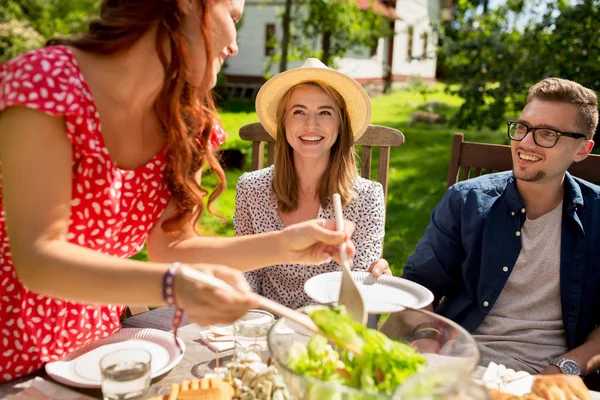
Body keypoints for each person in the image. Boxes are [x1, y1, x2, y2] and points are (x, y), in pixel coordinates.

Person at [0, 1, 356, 382]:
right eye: (232, 18)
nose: (234, 43)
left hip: (92, 357)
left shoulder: (184, 118)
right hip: (12, 354)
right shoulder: (46, 84)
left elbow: (171, 248)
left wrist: (285, 245)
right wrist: (175, 286)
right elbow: (39, 260)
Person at [402, 77, 600, 377]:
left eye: (547, 134)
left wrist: (566, 368)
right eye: (523, 127)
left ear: (582, 150)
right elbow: (418, 287)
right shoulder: (466, 201)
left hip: (546, 379)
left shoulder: (597, 215)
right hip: (458, 364)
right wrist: (427, 339)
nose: (525, 142)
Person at [234, 58, 390, 310]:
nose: (311, 125)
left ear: (341, 124)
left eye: (325, 113)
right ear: (283, 122)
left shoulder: (367, 197)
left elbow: (358, 284)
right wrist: (250, 315)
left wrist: (373, 278)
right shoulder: (251, 189)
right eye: (298, 111)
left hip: (329, 332)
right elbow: (246, 269)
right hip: (263, 327)